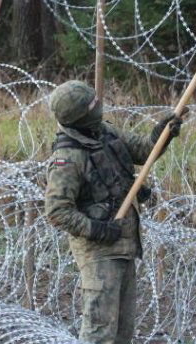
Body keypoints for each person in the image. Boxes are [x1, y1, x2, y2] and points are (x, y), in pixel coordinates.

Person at [43, 80, 182, 344]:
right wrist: (98, 230)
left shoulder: (105, 132)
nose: (98, 106)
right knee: (100, 333)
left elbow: (144, 150)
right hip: (99, 254)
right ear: (79, 115)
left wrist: (161, 135)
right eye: (92, 105)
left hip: (126, 244)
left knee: (122, 332)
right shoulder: (67, 158)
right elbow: (57, 211)